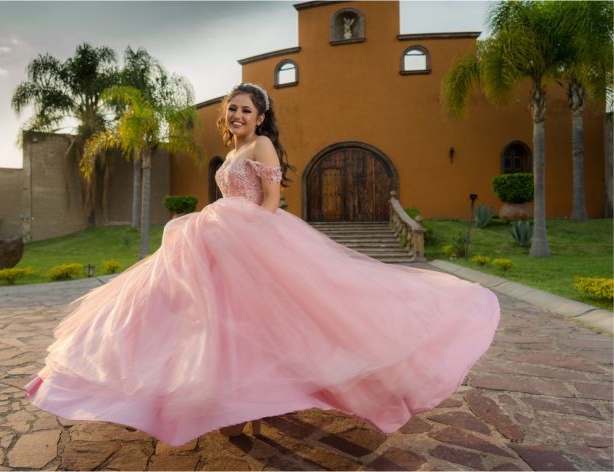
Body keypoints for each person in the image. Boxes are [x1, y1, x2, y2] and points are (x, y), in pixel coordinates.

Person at [24, 82, 500, 447]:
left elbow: (270, 201)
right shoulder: (232, 151)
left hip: (249, 240)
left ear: (261, 116)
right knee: (204, 319)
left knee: (276, 320)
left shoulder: (260, 148)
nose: (236, 115)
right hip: (217, 240)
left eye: (245, 110)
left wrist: (248, 239)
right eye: (232, 108)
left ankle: (259, 399)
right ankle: (211, 398)